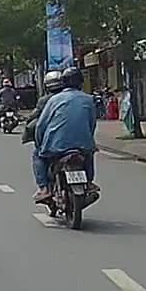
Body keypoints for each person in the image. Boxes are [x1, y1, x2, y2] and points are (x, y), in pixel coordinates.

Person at [31, 67, 98, 203]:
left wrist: (39, 143)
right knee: (89, 154)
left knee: (37, 154)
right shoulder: (88, 99)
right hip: (82, 145)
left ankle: (44, 188)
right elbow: (91, 123)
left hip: (55, 146)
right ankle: (89, 182)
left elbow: (41, 125)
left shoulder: (54, 100)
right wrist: (88, 140)